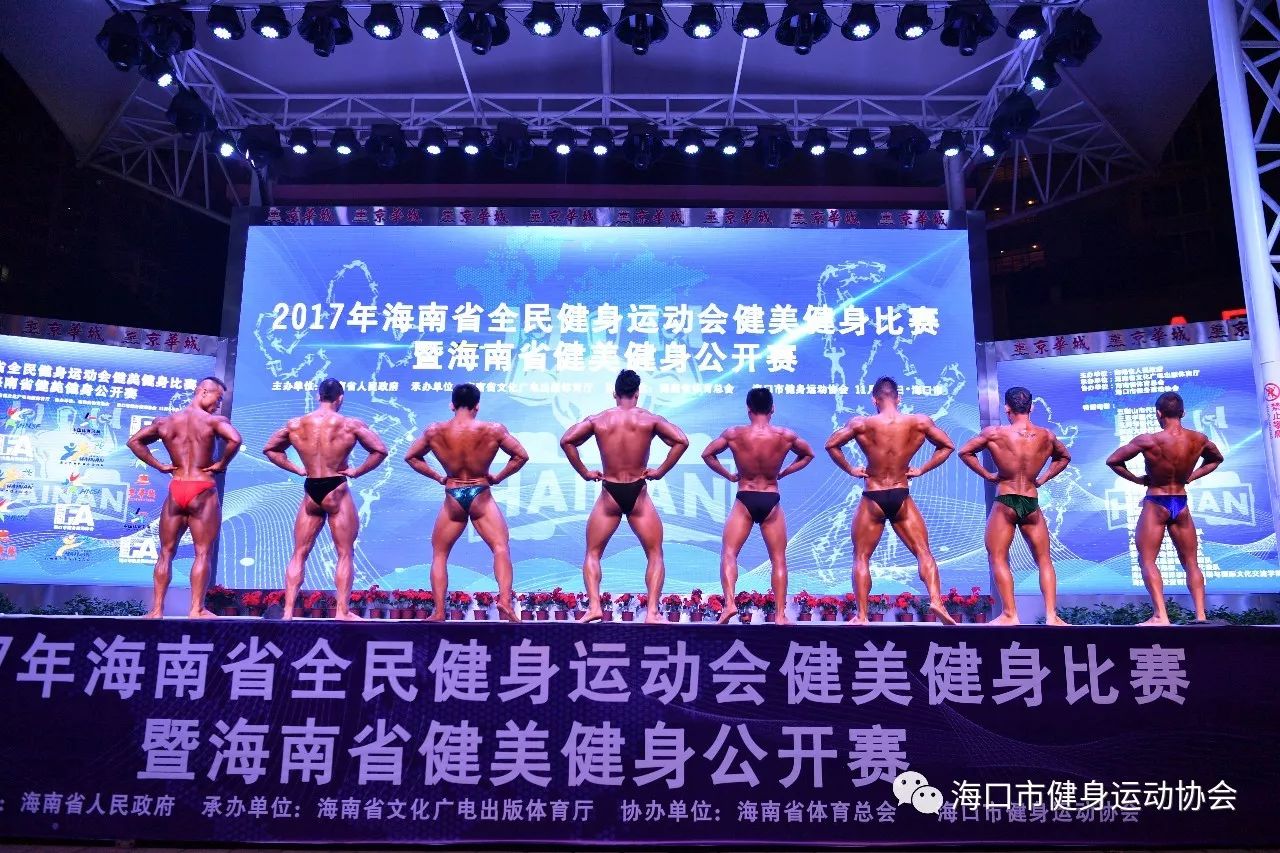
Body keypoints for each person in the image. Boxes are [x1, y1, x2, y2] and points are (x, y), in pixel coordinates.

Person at [560, 369, 689, 623]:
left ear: (614, 393)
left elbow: (567, 441)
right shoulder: (650, 419)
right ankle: (652, 612)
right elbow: (682, 441)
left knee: (593, 553)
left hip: (610, 491)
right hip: (638, 493)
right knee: (655, 553)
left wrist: (585, 472)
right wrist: (660, 472)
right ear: (637, 394)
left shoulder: (598, 420)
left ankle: (594, 607)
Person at [824, 376, 956, 624]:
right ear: (899, 398)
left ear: (874, 400)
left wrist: (851, 469)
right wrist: (922, 469)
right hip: (900, 493)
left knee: (861, 556)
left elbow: (831, 445)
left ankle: (863, 615)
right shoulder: (919, 422)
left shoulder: (861, 424)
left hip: (873, 494)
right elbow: (947, 446)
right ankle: (936, 601)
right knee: (923, 551)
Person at [262, 378, 388, 620]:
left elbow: (270, 449)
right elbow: (380, 450)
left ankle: (287, 611)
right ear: (340, 398)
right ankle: (341, 612)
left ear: (318, 396)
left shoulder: (296, 424)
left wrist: (296, 468)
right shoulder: (350, 424)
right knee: (344, 553)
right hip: (336, 488)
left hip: (311, 488)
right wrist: (357, 471)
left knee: (299, 552)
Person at [404, 382, 529, 622]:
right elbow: (521, 456)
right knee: (500, 547)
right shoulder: (493, 430)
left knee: (440, 554)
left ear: (452, 405)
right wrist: (498, 477)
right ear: (477, 406)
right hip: (481, 493)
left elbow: (411, 457)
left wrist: (438, 476)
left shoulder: (434, 431)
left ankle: (439, 611)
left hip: (453, 494)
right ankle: (505, 601)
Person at [126, 377, 241, 619]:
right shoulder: (214, 422)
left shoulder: (165, 422)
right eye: (217, 398)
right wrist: (222, 464)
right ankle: (196, 609)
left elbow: (134, 441)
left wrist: (159, 465)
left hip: (177, 488)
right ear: (203, 391)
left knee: (166, 552)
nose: (218, 404)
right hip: (203, 488)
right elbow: (235, 439)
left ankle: (157, 609)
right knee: (203, 552)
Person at [957, 386, 1071, 625]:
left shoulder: (995, 434)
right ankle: (1052, 615)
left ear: (1007, 408)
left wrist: (988, 475)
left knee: (998, 557)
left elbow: (965, 452)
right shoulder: (1046, 436)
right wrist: (1043, 478)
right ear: (1032, 407)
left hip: (1006, 499)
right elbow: (1064, 457)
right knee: (1044, 560)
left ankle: (1010, 613)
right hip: (1031, 501)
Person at [1106, 391, 1223, 625]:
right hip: (1181, 502)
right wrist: (1191, 476)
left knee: (1147, 560)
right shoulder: (1198, 439)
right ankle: (1201, 615)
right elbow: (1216, 459)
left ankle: (1161, 615)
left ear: (1158, 413)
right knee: (1191, 562)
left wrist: (1138, 480)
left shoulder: (1148, 440)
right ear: (1183, 413)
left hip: (1156, 501)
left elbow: (1113, 461)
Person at [701, 387, 815, 624]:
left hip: (745, 496)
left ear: (748, 409)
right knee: (778, 559)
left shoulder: (734, 434)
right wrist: (785, 472)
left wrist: (728, 475)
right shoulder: (785, 435)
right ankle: (780, 615)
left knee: (729, 553)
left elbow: (707, 454)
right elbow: (808, 454)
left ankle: (729, 604)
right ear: (772, 408)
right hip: (771, 498)